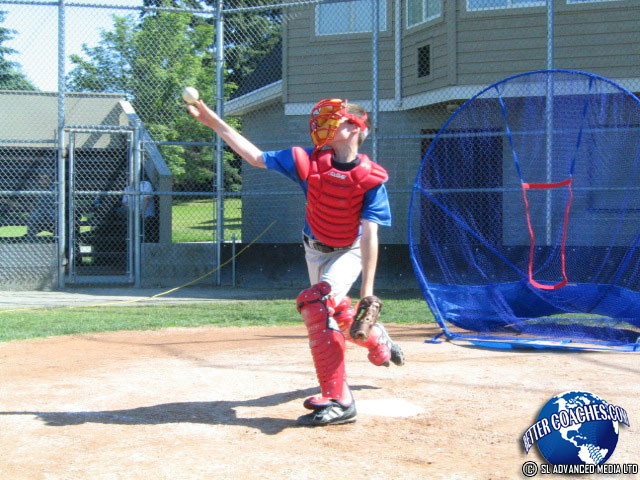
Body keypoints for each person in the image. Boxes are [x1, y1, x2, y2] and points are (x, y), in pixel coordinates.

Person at [188, 98, 404, 427]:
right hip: (314, 249)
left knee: (315, 303)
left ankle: (339, 400)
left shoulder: (369, 179)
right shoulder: (307, 160)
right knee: (339, 316)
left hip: (349, 250)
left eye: (336, 120)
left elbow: (370, 236)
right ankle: (378, 341)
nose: (325, 125)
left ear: (356, 128)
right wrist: (215, 123)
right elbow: (255, 157)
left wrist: (368, 293)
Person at [25, 172, 56, 240]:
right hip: (39, 210)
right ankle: (31, 239)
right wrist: (31, 205)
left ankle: (58, 238)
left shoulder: (55, 188)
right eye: (40, 178)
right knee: (33, 216)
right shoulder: (36, 188)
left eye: (45, 178)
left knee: (56, 216)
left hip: (52, 210)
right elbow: (30, 201)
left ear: (49, 179)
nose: (42, 180)